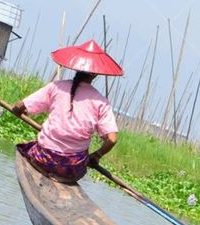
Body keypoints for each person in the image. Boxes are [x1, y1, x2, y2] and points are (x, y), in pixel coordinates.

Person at [7, 39, 123, 184]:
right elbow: (112, 139)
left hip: (43, 158)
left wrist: (16, 111)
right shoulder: (101, 101)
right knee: (74, 163)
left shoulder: (56, 87)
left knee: (23, 148)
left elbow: (19, 106)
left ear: (76, 67)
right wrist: (97, 155)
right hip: (72, 168)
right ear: (95, 74)